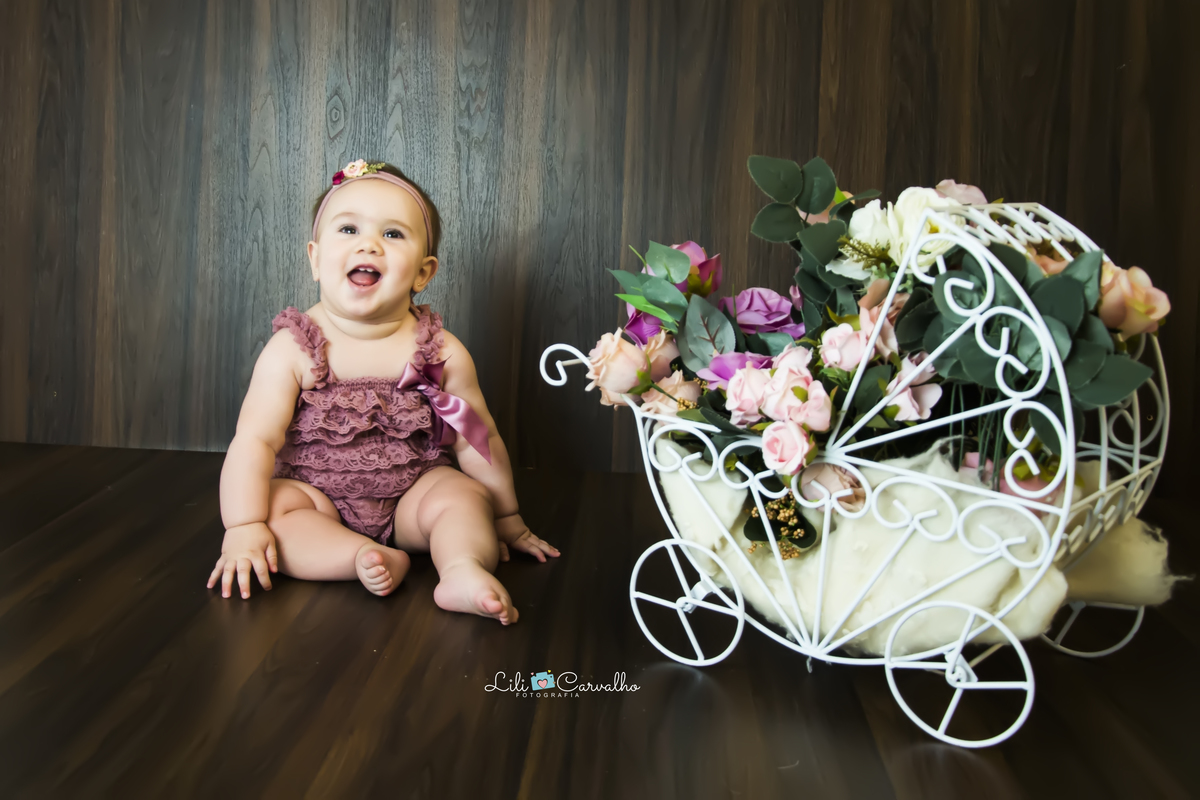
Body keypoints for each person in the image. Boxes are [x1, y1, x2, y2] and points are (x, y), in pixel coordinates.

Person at [206, 159, 558, 625]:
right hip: (318, 498)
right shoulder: (293, 348)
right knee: (274, 513)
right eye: (348, 229)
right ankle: (357, 556)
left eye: (393, 235)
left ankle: (460, 569)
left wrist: (507, 516)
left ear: (423, 273)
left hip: (413, 493)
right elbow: (255, 440)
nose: (368, 244)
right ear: (314, 257)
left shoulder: (437, 351)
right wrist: (243, 526)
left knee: (464, 497)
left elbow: (477, 437)